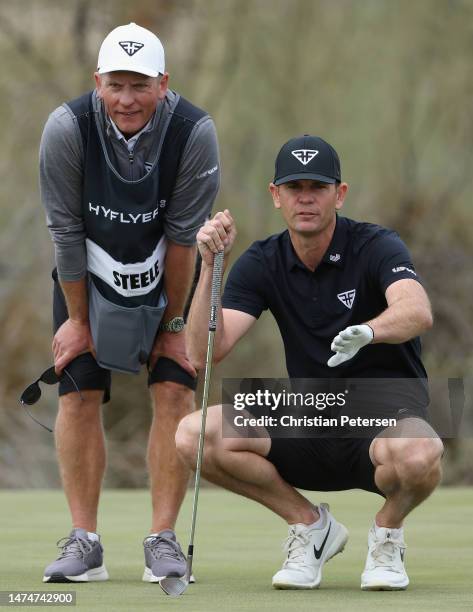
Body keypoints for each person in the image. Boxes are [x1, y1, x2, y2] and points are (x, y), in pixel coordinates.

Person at [177, 135, 443, 591]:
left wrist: (371, 331)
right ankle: (310, 527)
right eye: (294, 186)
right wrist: (207, 267)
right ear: (275, 195)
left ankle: (386, 534)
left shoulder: (376, 245)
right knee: (193, 434)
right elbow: (202, 351)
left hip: (385, 412)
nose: (305, 197)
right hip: (312, 410)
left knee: (421, 452)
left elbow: (417, 310)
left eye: (317, 186)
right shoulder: (264, 260)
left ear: (339, 194)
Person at [39, 23, 219, 583]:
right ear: (97, 82)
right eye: (116, 84)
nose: (127, 99)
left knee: (172, 388)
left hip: (166, 271)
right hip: (85, 274)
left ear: (163, 84)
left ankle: (162, 542)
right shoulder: (67, 128)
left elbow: (183, 238)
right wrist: (76, 320)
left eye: (140, 85)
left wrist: (174, 324)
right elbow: (65, 231)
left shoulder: (193, 132)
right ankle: (84, 542)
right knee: (78, 392)